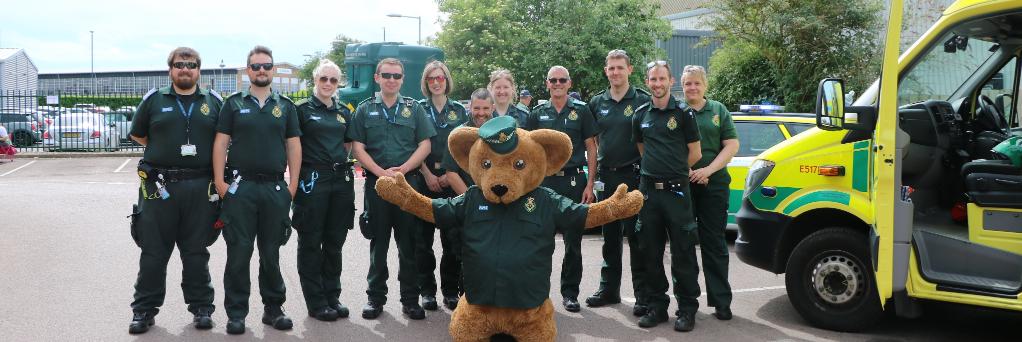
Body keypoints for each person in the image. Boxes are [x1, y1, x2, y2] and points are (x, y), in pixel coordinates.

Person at [126, 47, 222, 334]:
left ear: (198, 71)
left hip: (200, 187)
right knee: (153, 251)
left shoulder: (213, 102)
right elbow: (138, 134)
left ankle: (202, 308)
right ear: (170, 69)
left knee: (196, 251)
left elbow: (224, 140)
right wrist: (165, 154)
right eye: (179, 65)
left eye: (191, 65)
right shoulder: (154, 101)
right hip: (159, 188)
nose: (185, 69)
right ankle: (144, 310)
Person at [212, 45, 302, 335]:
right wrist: (221, 184)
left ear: (273, 70)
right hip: (241, 189)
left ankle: (274, 309)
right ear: (247, 71)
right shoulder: (233, 103)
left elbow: (293, 146)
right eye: (255, 66)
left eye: (266, 66)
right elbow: (221, 143)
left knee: (271, 252)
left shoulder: (286, 105)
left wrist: (292, 186)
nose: (261, 70)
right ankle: (236, 313)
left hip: (275, 189)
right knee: (239, 252)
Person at [349, 57, 436, 320]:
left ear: (402, 80)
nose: (391, 79)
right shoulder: (364, 109)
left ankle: (410, 300)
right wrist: (380, 172)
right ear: (377, 78)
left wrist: (405, 169)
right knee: (379, 243)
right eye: (386, 75)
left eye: (397, 76)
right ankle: (375, 299)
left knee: (409, 244)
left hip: (407, 185)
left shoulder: (414, 109)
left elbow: (425, 145)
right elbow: (357, 147)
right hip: (377, 186)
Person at [632, 60, 702, 332]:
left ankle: (686, 309)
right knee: (650, 251)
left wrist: (674, 171)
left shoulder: (684, 113)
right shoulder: (640, 114)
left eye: (662, 79)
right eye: (653, 79)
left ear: (671, 81)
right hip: (649, 192)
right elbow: (642, 149)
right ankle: (657, 307)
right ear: (647, 82)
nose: (657, 84)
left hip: (677, 192)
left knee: (683, 251)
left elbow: (695, 153)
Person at [524, 65, 597, 313]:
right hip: (544, 183)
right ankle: (539, 295)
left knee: (573, 243)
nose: (557, 84)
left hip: (574, 183)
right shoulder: (537, 113)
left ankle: (570, 294)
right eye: (552, 80)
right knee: (540, 243)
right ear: (547, 84)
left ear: (569, 83)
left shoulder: (582, 111)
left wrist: (590, 184)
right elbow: (528, 149)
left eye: (562, 80)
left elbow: (591, 148)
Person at [584, 49, 650, 316]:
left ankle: (642, 295)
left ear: (629, 70)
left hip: (634, 176)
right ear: (605, 71)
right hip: (607, 177)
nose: (615, 72)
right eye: (611, 68)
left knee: (637, 237)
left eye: (620, 67)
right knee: (609, 237)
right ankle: (608, 290)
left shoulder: (643, 100)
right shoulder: (596, 102)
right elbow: (593, 140)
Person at [292, 59, 356, 322]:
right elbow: (292, 146)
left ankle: (332, 295)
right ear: (315, 81)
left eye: (333, 80)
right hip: (312, 179)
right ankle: (316, 301)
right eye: (323, 79)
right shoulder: (302, 110)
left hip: (340, 180)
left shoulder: (343, 111)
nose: (328, 84)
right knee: (310, 241)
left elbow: (349, 143)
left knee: (334, 241)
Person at [683, 65, 739, 321]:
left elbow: (731, 145)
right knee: (683, 245)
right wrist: (687, 172)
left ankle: (721, 301)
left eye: (696, 83)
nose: (692, 88)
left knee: (714, 244)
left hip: (714, 186)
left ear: (705, 86)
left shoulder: (718, 110)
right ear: (681, 86)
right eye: (687, 84)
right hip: (683, 185)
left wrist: (707, 171)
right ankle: (688, 301)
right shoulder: (676, 111)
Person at [415, 61, 467, 312]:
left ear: (447, 80)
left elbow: (466, 147)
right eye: (431, 79)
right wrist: (426, 173)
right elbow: (414, 145)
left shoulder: (460, 111)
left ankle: (450, 290)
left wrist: (449, 175)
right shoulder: (416, 109)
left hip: (451, 180)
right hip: (424, 179)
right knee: (422, 242)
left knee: (453, 241)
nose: (436, 82)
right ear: (426, 83)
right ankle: (427, 291)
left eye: (441, 78)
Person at [445, 88, 495, 195]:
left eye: (486, 108)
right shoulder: (459, 135)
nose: (481, 113)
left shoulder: (502, 133)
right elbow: (451, 173)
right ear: (470, 107)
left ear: (493, 108)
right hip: (468, 198)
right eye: (476, 108)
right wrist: (471, 201)